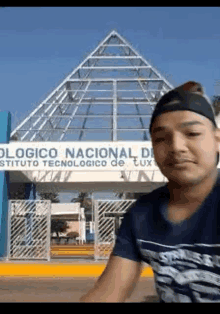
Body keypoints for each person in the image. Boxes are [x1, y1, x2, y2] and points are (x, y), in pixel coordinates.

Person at [80, 81, 220, 303]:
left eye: (192, 133)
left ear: (217, 140)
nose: (176, 146)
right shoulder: (142, 215)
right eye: (161, 138)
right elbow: (108, 294)